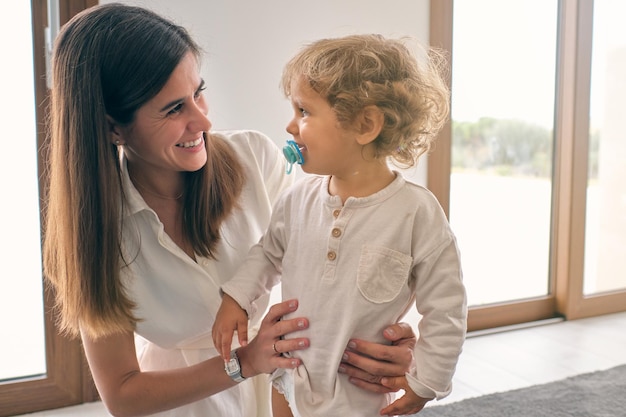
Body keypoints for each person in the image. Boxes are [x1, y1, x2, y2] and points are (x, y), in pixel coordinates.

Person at [42, 4, 419, 417]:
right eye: (173, 109)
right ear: (113, 127)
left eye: (198, 91)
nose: (202, 121)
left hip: (288, 386)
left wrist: (386, 337)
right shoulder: (95, 234)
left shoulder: (256, 159)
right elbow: (123, 395)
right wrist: (246, 361)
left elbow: (332, 263)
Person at [212, 34, 468, 416]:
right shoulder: (298, 199)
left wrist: (427, 380)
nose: (291, 125)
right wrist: (236, 298)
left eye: (304, 111)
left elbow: (447, 306)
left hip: (358, 390)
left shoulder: (417, 213)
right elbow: (267, 253)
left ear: (365, 124)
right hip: (289, 375)